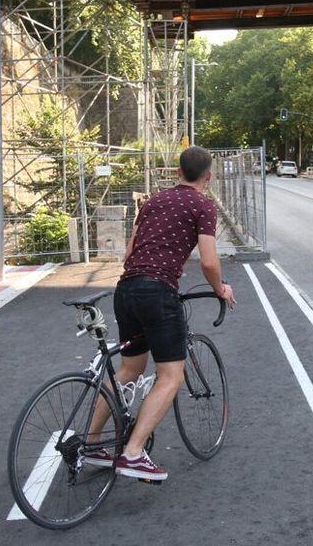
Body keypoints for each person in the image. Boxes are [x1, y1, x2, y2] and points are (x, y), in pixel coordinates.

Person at [84, 145, 235, 482]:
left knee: (129, 370)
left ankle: (91, 442)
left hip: (127, 290)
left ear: (178, 173)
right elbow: (209, 262)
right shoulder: (202, 206)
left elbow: (129, 253)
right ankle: (134, 453)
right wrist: (220, 287)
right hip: (157, 292)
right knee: (170, 377)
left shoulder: (152, 202)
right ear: (207, 177)